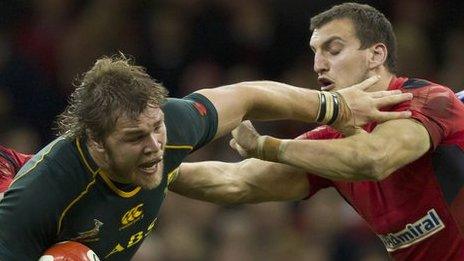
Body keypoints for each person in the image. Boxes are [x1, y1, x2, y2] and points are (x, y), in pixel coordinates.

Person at [0, 54, 410, 260]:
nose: (154, 145)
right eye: (135, 138)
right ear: (95, 141)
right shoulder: (37, 201)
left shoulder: (172, 127)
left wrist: (335, 106)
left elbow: (249, 96)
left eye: (156, 128)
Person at [174, 3, 464, 260]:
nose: (318, 64)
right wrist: (155, 171)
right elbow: (236, 181)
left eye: (333, 50)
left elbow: (373, 158)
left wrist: (266, 146)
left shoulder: (431, 101)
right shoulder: (329, 142)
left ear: (376, 55)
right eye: (315, 53)